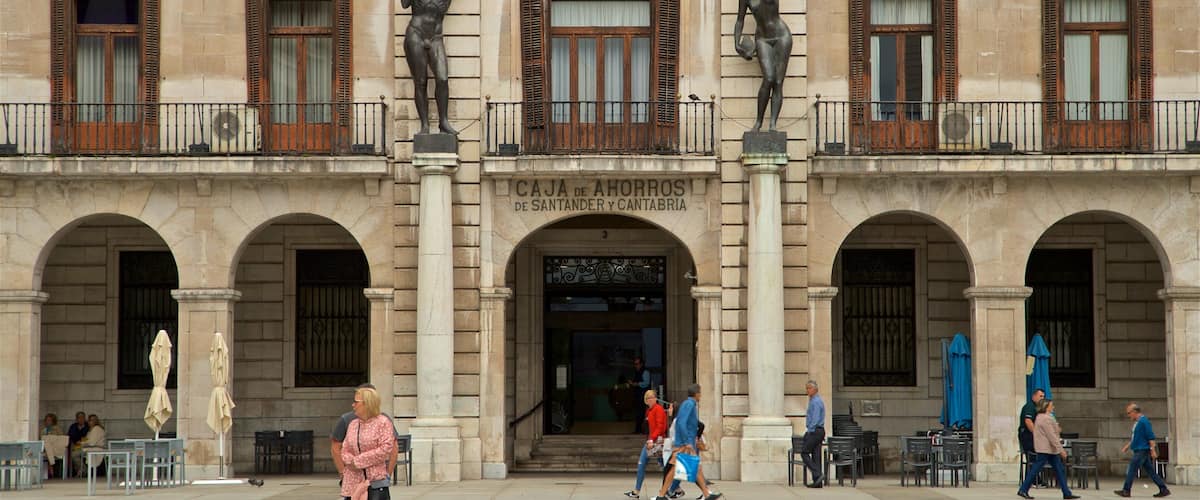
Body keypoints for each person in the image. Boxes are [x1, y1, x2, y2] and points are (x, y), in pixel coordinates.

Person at [650, 384, 721, 500]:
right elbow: (681, 423)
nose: (701, 395)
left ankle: (707, 494)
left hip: (685, 443)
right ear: (696, 394)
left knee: (694, 468)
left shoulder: (689, 404)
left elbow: (685, 423)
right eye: (700, 393)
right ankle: (662, 495)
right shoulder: (689, 404)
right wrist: (687, 442)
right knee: (677, 470)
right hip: (684, 444)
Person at [733, 0, 792, 131]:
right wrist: (736, 43)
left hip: (782, 36)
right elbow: (740, 20)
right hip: (762, 39)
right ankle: (758, 122)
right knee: (769, 78)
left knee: (777, 81)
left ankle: (772, 124)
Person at [401, 0, 457, 135]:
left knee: (442, 79)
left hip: (436, 38)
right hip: (416, 34)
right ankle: (424, 125)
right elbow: (404, 4)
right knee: (420, 82)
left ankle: (443, 122)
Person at [333, 384, 400, 485]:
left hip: (375, 481)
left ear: (368, 403)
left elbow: (389, 448)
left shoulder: (383, 422)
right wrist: (343, 472)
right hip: (353, 481)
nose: (353, 405)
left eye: (356, 402)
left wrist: (387, 475)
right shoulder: (351, 423)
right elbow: (339, 448)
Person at [1016, 400, 1079, 500]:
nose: (1053, 407)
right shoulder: (1046, 418)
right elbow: (1052, 436)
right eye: (1051, 405)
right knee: (1037, 469)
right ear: (1046, 407)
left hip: (1048, 449)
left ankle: (1066, 492)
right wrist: (1061, 449)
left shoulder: (1041, 417)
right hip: (1046, 449)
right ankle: (1023, 489)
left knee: (1058, 470)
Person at [1114, 402, 1170, 498]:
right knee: (1151, 471)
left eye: (1129, 413)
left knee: (1132, 469)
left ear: (1135, 411)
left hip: (1142, 450)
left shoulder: (1144, 422)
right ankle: (1163, 489)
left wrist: (1152, 450)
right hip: (1139, 449)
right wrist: (1127, 446)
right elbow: (1135, 437)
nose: (1128, 415)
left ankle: (1126, 490)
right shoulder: (1138, 423)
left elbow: (1150, 437)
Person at [624, 390, 668, 499]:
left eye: (652, 397)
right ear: (646, 400)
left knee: (648, 464)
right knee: (661, 466)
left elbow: (660, 427)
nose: (650, 400)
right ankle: (637, 491)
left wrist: (651, 440)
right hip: (653, 441)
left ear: (655, 398)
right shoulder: (650, 410)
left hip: (656, 441)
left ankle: (671, 489)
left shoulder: (658, 409)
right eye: (648, 398)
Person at [802, 380, 826, 487]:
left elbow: (815, 419)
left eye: (809, 388)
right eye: (807, 388)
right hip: (818, 431)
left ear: (815, 389)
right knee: (816, 456)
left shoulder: (816, 402)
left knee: (804, 452)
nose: (807, 390)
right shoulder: (814, 401)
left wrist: (809, 431)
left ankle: (817, 473)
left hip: (815, 431)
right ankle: (818, 482)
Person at [629, 357, 652, 433]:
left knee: (642, 413)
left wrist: (637, 384)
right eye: (635, 364)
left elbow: (646, 383)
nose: (636, 366)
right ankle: (638, 430)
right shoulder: (637, 372)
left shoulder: (645, 372)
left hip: (643, 396)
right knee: (639, 413)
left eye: (637, 364)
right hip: (638, 395)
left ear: (641, 364)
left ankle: (641, 430)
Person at [40, 413, 64, 478]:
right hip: (46, 448)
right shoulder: (43, 430)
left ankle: (51, 467)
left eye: (50, 420)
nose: (48, 422)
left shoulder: (57, 429)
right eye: (47, 420)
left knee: (48, 449)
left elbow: (61, 438)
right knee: (47, 448)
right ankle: (51, 467)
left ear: (53, 421)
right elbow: (41, 439)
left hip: (56, 448)